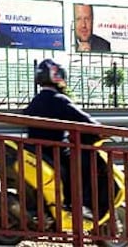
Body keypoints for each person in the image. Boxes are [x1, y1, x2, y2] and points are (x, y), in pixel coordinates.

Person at [23, 58, 102, 218]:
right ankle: (81, 205)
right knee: (86, 163)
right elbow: (85, 120)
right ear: (58, 76)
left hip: (35, 149)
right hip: (54, 150)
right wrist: (101, 131)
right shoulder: (60, 100)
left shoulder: (36, 100)